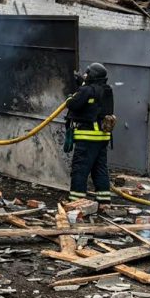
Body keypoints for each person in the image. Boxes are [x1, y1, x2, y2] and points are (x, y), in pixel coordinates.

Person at [65, 62, 114, 207]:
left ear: (92, 75)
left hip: (88, 137)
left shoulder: (86, 90)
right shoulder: (107, 90)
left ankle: (76, 202)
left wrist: (70, 96)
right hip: (103, 137)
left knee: (80, 169)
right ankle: (104, 201)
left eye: (87, 73)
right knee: (99, 169)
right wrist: (83, 85)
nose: (85, 75)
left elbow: (73, 104)